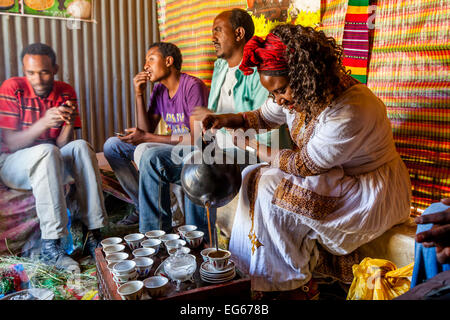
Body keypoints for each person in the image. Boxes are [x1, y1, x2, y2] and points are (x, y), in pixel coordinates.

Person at [201, 24, 412, 299]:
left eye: (281, 91)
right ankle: (256, 277)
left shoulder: (351, 109)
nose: (279, 100)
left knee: (269, 186)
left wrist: (251, 144)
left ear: (306, 76)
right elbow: (264, 116)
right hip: (334, 178)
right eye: (273, 94)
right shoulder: (297, 90)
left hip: (370, 191)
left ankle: (292, 286)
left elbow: (305, 166)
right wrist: (226, 119)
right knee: (253, 174)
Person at [137, 9, 289, 242]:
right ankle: (154, 240)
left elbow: (267, 129)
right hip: (217, 146)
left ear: (239, 33)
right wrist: (205, 125)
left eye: (218, 30)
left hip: (248, 150)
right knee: (152, 158)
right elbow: (209, 125)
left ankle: (201, 243)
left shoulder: (259, 72)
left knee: (199, 163)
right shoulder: (220, 68)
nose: (213, 38)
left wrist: (218, 118)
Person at [0, 43, 108, 272]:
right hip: (13, 163)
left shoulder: (66, 91)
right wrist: (43, 124)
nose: (37, 79)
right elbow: (10, 142)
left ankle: (93, 234)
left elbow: (62, 145)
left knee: (81, 147)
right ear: (23, 71)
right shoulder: (12, 88)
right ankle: (51, 244)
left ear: (55, 69)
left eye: (44, 72)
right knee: (46, 151)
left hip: (50, 158)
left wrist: (67, 123)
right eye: (30, 73)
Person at [103, 42, 209, 225]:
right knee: (112, 146)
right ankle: (142, 206)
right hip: (170, 145)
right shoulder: (159, 89)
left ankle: (166, 216)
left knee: (145, 149)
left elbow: (197, 138)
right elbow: (147, 129)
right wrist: (138, 94)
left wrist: (145, 137)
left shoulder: (192, 87)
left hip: (191, 148)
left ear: (168, 61)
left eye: (151, 59)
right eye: (146, 61)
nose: (145, 66)